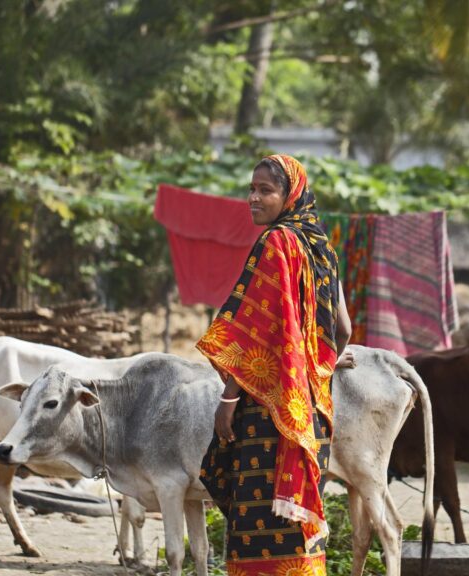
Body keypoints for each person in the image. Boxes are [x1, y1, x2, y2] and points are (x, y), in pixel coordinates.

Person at [197, 154, 353, 576]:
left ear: (290, 195)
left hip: (269, 412)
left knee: (259, 527)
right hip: (312, 415)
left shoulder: (277, 243)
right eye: (251, 189)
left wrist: (228, 399)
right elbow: (344, 328)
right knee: (298, 526)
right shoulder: (323, 248)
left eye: (265, 190)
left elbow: (248, 332)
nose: (253, 198)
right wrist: (314, 376)